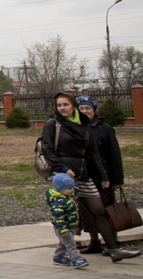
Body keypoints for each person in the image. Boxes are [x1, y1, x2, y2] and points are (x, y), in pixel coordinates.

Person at [40, 92, 137, 261]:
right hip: (64, 177)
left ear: (73, 107)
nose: (62, 108)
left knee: (99, 210)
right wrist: (64, 168)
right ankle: (64, 255)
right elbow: (47, 150)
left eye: (66, 105)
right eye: (59, 105)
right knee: (66, 213)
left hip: (84, 173)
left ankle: (114, 250)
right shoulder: (53, 125)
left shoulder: (84, 124)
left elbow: (92, 152)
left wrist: (103, 176)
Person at [78, 95, 126, 254]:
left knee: (107, 210)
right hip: (85, 176)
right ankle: (94, 242)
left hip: (104, 177)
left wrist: (117, 179)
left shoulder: (105, 128)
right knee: (87, 211)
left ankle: (113, 242)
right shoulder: (76, 128)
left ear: (94, 110)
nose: (85, 111)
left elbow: (115, 154)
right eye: (82, 109)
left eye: (88, 108)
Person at [47, 174, 88, 268]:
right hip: (63, 227)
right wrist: (62, 229)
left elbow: (75, 190)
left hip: (71, 225)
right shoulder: (58, 202)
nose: (72, 190)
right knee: (71, 243)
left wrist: (73, 180)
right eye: (69, 189)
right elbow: (58, 217)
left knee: (64, 243)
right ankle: (76, 259)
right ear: (60, 189)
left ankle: (58, 257)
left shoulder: (69, 195)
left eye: (72, 188)